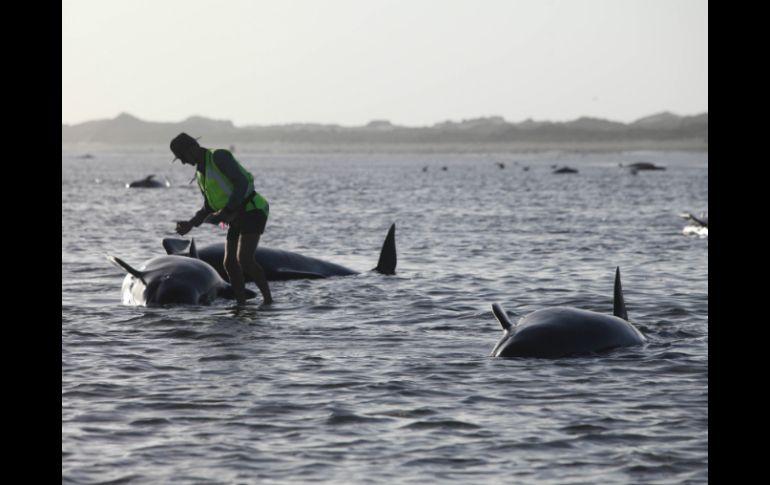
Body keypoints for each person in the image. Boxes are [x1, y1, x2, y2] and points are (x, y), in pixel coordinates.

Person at [170, 133, 273, 305]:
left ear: (192, 148)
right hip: (234, 216)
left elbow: (242, 183)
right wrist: (191, 223)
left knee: (245, 259)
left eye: (182, 157)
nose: (182, 162)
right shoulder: (200, 173)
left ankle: (268, 301)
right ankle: (241, 305)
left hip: (252, 209)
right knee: (229, 263)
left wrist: (228, 210)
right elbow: (208, 206)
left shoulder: (219, 156)